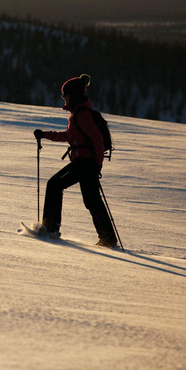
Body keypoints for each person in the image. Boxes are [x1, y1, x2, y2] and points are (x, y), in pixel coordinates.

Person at [33, 74, 118, 247]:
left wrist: (97, 164)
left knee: (54, 185)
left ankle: (50, 228)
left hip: (85, 163)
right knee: (92, 200)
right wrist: (45, 135)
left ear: (74, 95)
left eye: (65, 95)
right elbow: (68, 136)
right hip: (87, 163)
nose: (64, 98)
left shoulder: (82, 115)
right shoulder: (78, 115)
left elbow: (97, 141)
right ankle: (108, 239)